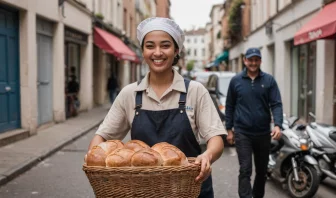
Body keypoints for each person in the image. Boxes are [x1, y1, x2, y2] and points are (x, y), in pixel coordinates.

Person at [86, 17, 226, 198]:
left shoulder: (194, 91)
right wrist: (94, 158)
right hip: (144, 191)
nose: (157, 52)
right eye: (150, 46)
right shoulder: (130, 94)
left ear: (177, 50)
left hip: (191, 188)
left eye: (165, 45)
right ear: (143, 51)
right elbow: (103, 137)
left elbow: (216, 140)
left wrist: (207, 156)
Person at [225, 47, 283, 198]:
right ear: (245, 61)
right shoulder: (236, 81)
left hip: (263, 133)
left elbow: (276, 103)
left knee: (262, 171)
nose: (253, 63)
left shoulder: (269, 80)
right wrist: (229, 129)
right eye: (250, 60)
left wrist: (277, 124)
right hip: (242, 132)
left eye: (256, 60)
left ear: (260, 61)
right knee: (245, 169)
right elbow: (230, 105)